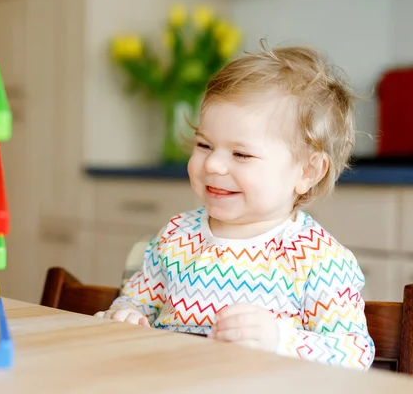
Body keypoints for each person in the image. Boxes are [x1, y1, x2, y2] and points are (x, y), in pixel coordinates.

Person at [94, 40, 375, 371]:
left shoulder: (318, 259)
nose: (213, 165)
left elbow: (355, 354)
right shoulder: (176, 236)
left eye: (241, 154)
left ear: (307, 171)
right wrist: (128, 315)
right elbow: (136, 302)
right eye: (204, 144)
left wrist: (279, 340)